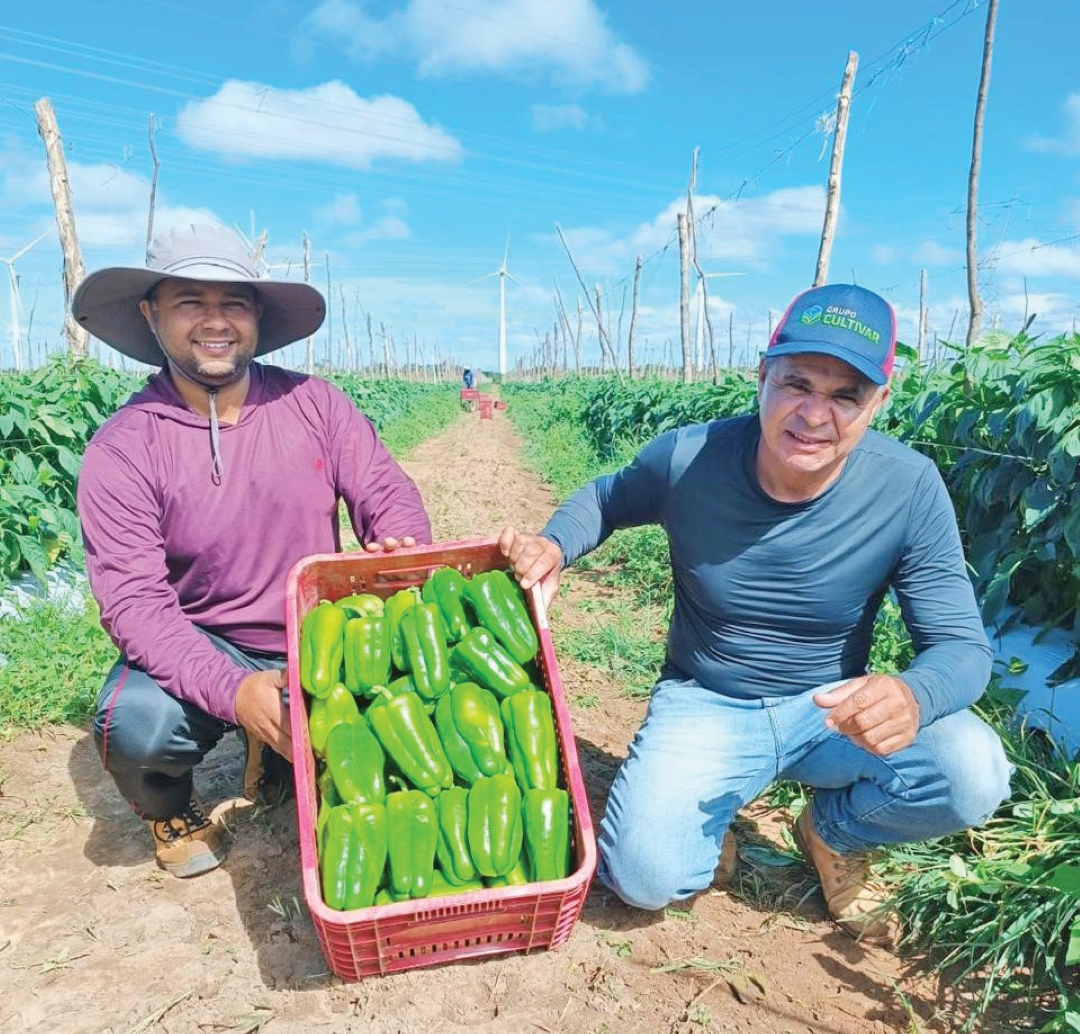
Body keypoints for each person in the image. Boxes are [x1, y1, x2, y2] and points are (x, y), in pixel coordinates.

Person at [499, 282, 1010, 945]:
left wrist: (913, 693)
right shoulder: (690, 458)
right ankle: (706, 835)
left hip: (830, 711)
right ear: (762, 375)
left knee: (973, 770)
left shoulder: (907, 487)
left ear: (878, 403)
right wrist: (553, 545)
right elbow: (603, 500)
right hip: (708, 699)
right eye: (797, 382)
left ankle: (830, 832)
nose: (814, 414)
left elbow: (962, 649)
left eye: (845, 395)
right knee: (646, 877)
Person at [72, 223, 431, 878]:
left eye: (233, 302)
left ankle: (277, 749)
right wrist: (235, 690)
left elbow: (386, 491)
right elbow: (135, 604)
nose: (215, 321)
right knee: (136, 725)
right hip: (206, 638)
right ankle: (171, 809)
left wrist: (398, 547)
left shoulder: (314, 403)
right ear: (151, 315)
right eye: (190, 302)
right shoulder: (124, 447)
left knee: (421, 701)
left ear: (257, 315)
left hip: (320, 628)